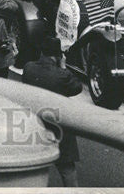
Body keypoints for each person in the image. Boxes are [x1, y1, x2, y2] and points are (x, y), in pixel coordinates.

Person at [22, 37, 83, 187]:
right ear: (58, 55)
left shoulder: (28, 68)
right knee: (67, 168)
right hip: (59, 125)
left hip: (36, 124)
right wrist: (63, 67)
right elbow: (77, 87)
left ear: (42, 52)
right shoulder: (63, 75)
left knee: (37, 166)